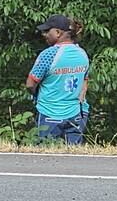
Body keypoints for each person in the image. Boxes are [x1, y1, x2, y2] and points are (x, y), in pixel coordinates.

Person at [25, 14, 89, 144]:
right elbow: (85, 81)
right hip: (75, 113)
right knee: (73, 157)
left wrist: (35, 95)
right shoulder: (82, 54)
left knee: (46, 156)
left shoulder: (49, 54)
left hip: (49, 113)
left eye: (48, 31)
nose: (45, 34)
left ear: (58, 32)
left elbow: (30, 84)